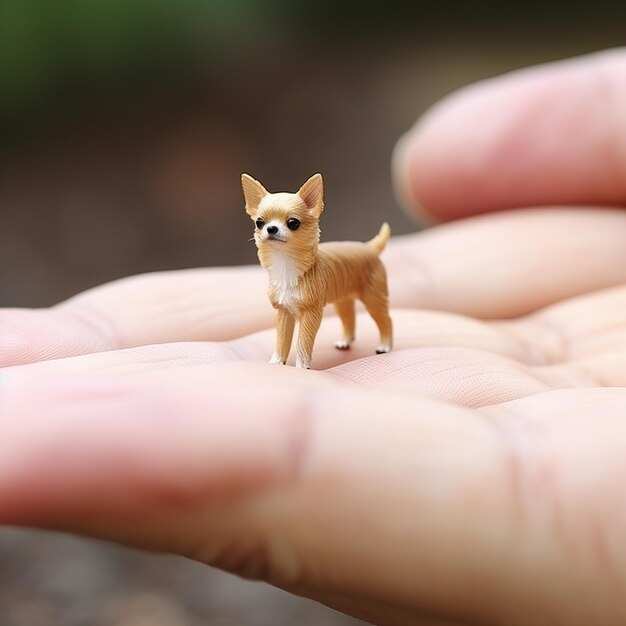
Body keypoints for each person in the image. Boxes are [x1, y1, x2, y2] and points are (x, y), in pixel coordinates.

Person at [1, 48, 626, 626]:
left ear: (312, 216)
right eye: (266, 222)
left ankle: (368, 336)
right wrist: (280, 351)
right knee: (298, 312)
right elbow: (287, 309)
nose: (275, 230)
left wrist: (304, 359)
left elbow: (311, 311)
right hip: (303, 287)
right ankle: (307, 348)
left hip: (356, 268)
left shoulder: (327, 261)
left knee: (364, 308)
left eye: (290, 221)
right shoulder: (275, 275)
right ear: (254, 219)